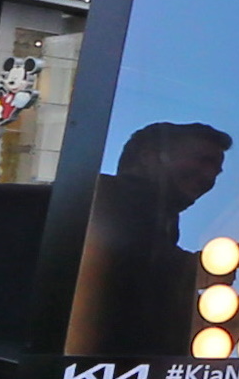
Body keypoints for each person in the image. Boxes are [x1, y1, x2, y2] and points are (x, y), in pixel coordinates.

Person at [65, 120, 228, 355]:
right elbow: (139, 261)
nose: (209, 177)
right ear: (149, 156)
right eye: (203, 161)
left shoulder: (158, 222)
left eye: (216, 170)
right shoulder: (102, 199)